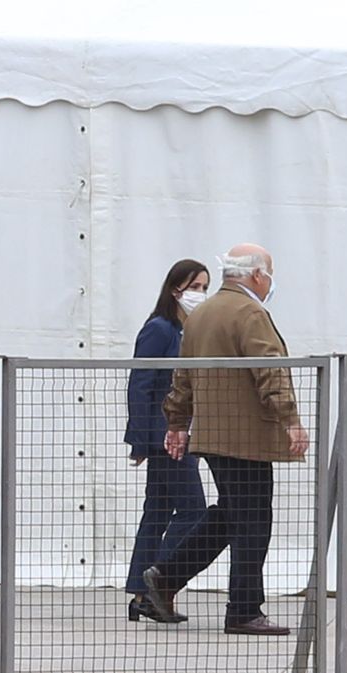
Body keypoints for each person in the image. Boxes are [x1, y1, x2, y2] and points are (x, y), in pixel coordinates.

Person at [145, 243, 308, 636]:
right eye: (269, 273)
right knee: (254, 522)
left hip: (213, 435)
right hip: (246, 436)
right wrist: (291, 420)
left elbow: (181, 375)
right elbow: (270, 369)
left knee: (229, 514)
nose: (270, 282)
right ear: (255, 275)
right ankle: (244, 609)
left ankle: (165, 579)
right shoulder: (250, 312)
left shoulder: (201, 313)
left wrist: (178, 424)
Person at [123, 258, 210, 624]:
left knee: (157, 511)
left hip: (177, 433)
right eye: (195, 287)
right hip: (167, 437)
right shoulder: (159, 329)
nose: (200, 294)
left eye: (205, 287)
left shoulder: (186, 330)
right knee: (193, 510)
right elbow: (140, 384)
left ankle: (142, 594)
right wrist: (143, 440)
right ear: (176, 288)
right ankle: (159, 579)